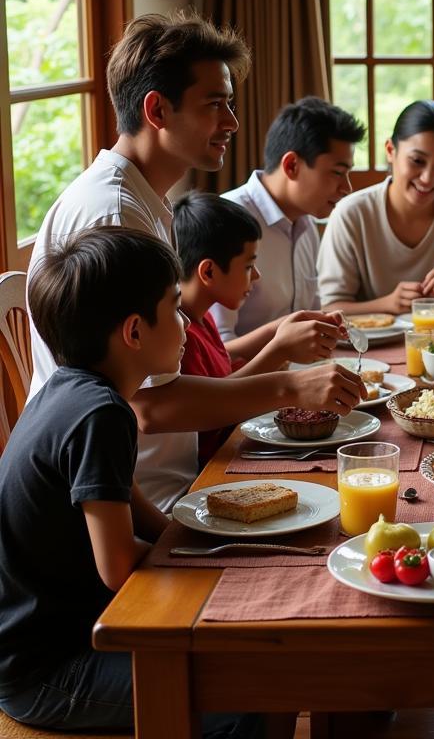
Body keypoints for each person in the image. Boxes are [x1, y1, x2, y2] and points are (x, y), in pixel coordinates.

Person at [26, 11, 362, 512]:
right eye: (215, 105)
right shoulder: (114, 213)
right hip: (133, 501)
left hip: (175, 475)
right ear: (157, 110)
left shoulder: (144, 200)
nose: (232, 123)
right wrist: (291, 384)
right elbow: (149, 408)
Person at [0, 227, 263, 738]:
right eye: (173, 306)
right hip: (49, 669)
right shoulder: (100, 414)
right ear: (135, 332)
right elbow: (118, 568)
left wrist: (198, 541)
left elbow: (126, 499)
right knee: (241, 697)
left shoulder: (71, 389)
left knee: (240, 647)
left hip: (61, 637)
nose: (187, 320)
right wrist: (208, 571)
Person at [173, 192, 351, 464]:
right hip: (214, 464)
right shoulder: (180, 335)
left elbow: (224, 361)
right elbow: (216, 405)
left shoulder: (201, 316)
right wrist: (278, 350)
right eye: (248, 266)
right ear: (208, 272)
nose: (256, 277)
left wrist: (280, 328)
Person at [318, 99, 434, 314]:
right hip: (369, 346)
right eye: (417, 161)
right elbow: (328, 307)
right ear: (391, 150)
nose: (428, 178)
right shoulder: (351, 214)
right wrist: (388, 304)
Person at [212, 97, 365, 362]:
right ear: (291, 165)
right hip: (245, 392)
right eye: (338, 173)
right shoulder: (225, 221)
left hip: (298, 382)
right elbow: (217, 352)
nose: (347, 188)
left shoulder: (306, 224)